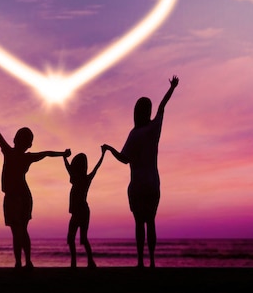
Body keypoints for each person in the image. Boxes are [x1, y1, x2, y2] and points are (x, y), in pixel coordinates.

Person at [102, 75, 179, 268]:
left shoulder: (135, 133)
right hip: (152, 184)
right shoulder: (154, 128)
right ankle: (152, 261)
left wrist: (110, 149)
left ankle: (140, 261)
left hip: (137, 186)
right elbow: (163, 107)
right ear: (148, 111)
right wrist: (172, 88)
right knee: (151, 222)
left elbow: (123, 159)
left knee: (139, 224)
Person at [0, 119, 70, 270]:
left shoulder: (13, 153)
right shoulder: (17, 154)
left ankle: (24, 262)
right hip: (19, 196)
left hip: (17, 197)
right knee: (20, 231)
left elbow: (46, 153)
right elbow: (46, 153)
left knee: (19, 231)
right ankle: (22, 262)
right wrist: (62, 154)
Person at [63, 147, 106, 268]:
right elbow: (96, 167)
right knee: (79, 238)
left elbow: (96, 167)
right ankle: (87, 261)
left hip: (80, 211)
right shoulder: (82, 179)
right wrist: (64, 157)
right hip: (83, 211)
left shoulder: (80, 179)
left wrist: (64, 157)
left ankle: (78, 262)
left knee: (73, 238)